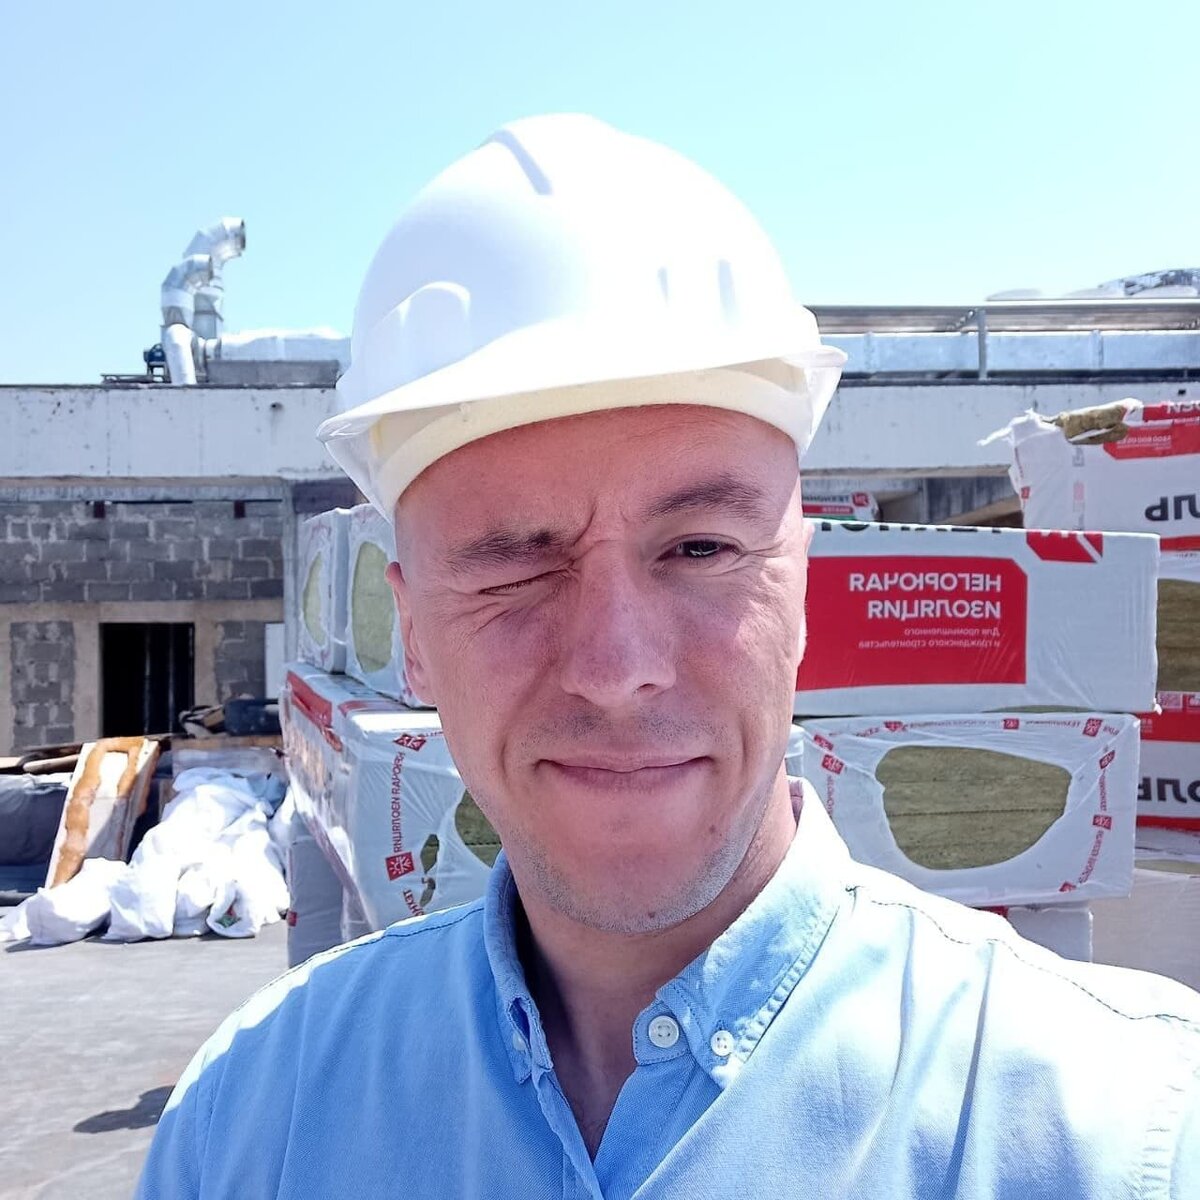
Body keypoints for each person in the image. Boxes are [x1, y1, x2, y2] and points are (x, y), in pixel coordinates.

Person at [137, 114, 1199, 1199]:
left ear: (801, 593)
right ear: (411, 635)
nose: (616, 667)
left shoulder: (1127, 1135)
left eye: (700, 549)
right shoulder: (251, 1123)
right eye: (515, 567)